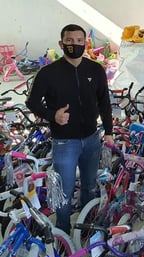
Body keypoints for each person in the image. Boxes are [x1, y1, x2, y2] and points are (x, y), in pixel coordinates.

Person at [26, 24, 114, 234]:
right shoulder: (48, 73)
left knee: (89, 187)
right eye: (69, 41)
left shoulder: (95, 70)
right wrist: (53, 115)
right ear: (61, 43)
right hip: (64, 142)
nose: (74, 45)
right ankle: (63, 232)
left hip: (92, 139)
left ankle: (85, 228)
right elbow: (32, 102)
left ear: (85, 43)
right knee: (64, 191)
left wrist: (109, 132)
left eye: (79, 41)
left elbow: (104, 102)